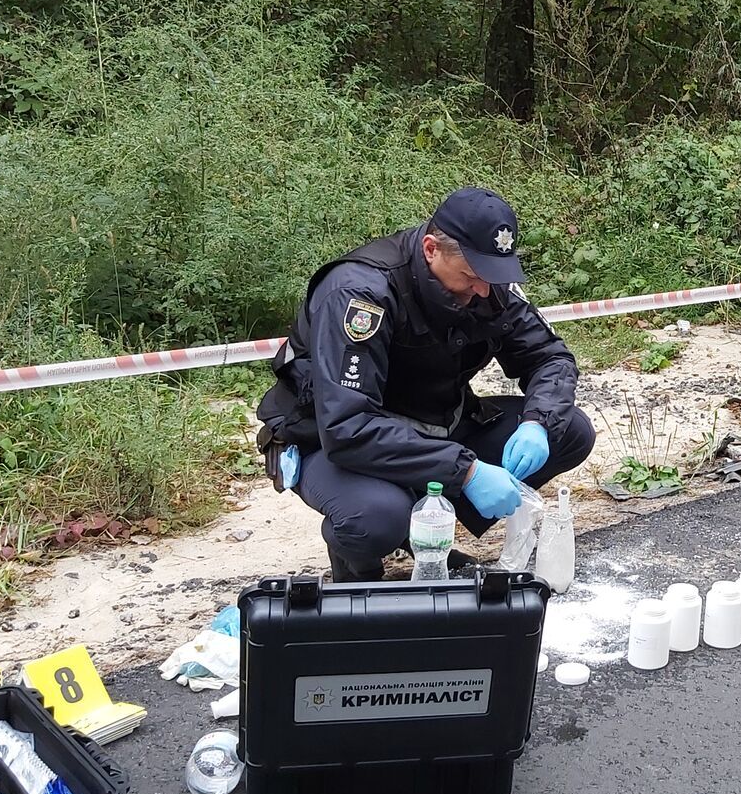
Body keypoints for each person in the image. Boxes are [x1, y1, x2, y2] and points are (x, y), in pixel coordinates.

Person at [254, 187, 596, 581]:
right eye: (471, 276)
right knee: (375, 517)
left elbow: (551, 358)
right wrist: (467, 472)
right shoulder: (360, 293)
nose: (483, 290)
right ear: (431, 249)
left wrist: (537, 421)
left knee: (568, 430)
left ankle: (427, 525)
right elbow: (346, 427)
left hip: (432, 423)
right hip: (331, 439)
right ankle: (362, 556)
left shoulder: (487, 282)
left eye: (492, 277)